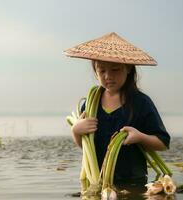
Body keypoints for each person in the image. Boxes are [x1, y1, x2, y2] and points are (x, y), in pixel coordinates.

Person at [64, 32, 170, 191]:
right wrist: (76, 131)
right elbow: (87, 148)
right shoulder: (90, 104)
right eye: (102, 71)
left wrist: (139, 137)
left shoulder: (141, 103)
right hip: (98, 182)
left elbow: (163, 143)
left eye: (115, 70)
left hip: (134, 181)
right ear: (95, 71)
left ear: (128, 68)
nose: (108, 76)